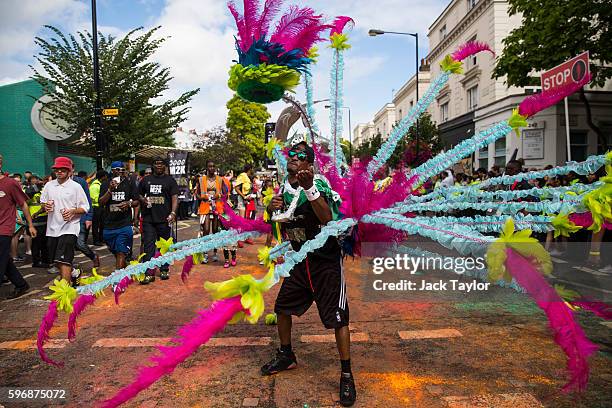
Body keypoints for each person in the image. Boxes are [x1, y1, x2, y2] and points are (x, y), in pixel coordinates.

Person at [262, 142, 356, 406]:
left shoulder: (319, 183)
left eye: (300, 156)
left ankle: (346, 374)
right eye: (290, 154)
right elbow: (277, 223)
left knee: (338, 319)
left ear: (309, 164)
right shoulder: (283, 187)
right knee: (282, 308)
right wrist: (271, 208)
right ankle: (286, 355)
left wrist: (310, 189)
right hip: (300, 262)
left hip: (325, 263)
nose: (293, 158)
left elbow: (327, 218)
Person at [40, 157, 89, 286]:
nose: (59, 172)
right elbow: (43, 204)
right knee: (56, 261)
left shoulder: (76, 187)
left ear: (69, 171)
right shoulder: (49, 185)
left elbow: (85, 207)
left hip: (70, 228)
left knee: (65, 259)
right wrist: (46, 207)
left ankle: (65, 289)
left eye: (63, 169)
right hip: (52, 228)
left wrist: (73, 211)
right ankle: (74, 272)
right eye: (57, 169)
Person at [0, 154, 37, 298]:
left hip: (4, 229)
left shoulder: (10, 183)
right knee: (5, 260)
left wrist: (30, 225)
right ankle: (21, 284)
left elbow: (23, 204)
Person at [137, 157, 179, 283]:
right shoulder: (146, 180)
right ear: (153, 166)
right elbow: (137, 194)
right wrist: (142, 199)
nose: (159, 166)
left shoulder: (170, 180)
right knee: (149, 246)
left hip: (164, 219)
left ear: (165, 166)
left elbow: (175, 197)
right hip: (148, 219)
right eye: (156, 164)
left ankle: (164, 268)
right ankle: (148, 272)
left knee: (164, 246)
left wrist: (173, 213)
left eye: (161, 164)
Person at [99, 161, 139, 272]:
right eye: (117, 170)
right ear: (112, 171)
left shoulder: (129, 183)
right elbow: (101, 202)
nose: (119, 172)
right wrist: (109, 191)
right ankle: (124, 268)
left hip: (125, 223)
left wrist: (128, 204)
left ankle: (118, 281)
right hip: (109, 224)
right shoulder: (105, 184)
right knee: (116, 251)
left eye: (122, 170)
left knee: (121, 252)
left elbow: (136, 201)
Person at [195, 160, 235, 267]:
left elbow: (226, 192)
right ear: (206, 168)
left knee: (216, 230)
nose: (211, 168)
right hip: (205, 206)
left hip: (217, 207)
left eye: (213, 166)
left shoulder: (220, 179)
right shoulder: (201, 179)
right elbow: (197, 194)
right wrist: (202, 198)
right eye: (209, 166)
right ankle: (205, 253)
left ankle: (215, 252)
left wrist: (220, 196)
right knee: (206, 230)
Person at [90, 170, 108, 245]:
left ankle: (101, 238)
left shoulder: (101, 184)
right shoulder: (95, 186)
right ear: (103, 177)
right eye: (105, 176)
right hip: (96, 207)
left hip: (102, 207)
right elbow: (94, 197)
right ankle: (96, 240)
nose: (106, 177)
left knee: (102, 224)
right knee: (96, 225)